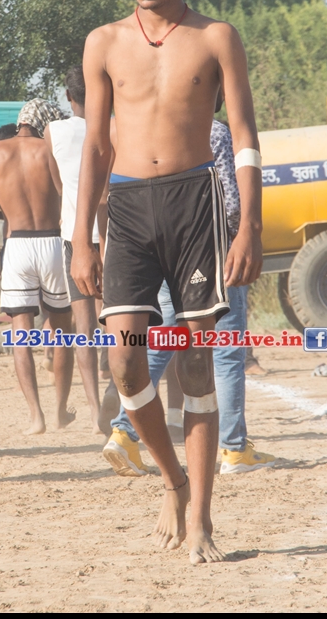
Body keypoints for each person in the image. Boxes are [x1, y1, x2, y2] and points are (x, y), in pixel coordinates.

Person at [71, 0, 264, 564]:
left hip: (195, 203)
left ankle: (202, 517)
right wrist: (80, 237)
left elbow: (244, 136)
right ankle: (173, 480)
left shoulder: (216, 38)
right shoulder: (103, 43)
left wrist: (250, 225)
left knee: (195, 362)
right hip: (128, 206)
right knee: (125, 362)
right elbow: (95, 146)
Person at [105, 88, 276, 476]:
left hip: (164, 246)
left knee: (160, 342)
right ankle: (234, 448)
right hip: (212, 249)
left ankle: (124, 432)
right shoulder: (214, 131)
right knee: (225, 350)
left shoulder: (153, 132)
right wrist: (241, 238)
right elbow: (230, 200)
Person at [0, 98, 76, 435]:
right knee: (63, 332)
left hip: (17, 245)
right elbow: (65, 196)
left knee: (21, 335)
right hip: (52, 243)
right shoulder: (50, 150)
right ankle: (60, 410)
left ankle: (36, 417)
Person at [47, 69, 111, 435]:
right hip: (113, 234)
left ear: (69, 97)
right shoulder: (115, 127)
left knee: (83, 327)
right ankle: (119, 395)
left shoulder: (53, 132)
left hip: (76, 236)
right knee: (118, 320)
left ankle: (94, 411)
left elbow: (58, 185)